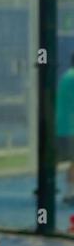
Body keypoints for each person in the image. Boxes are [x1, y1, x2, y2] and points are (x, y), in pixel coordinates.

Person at [56, 52, 74, 205]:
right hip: (70, 127)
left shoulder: (67, 75)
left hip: (63, 126)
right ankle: (69, 193)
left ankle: (68, 191)